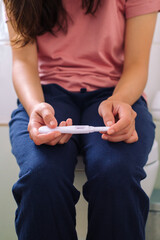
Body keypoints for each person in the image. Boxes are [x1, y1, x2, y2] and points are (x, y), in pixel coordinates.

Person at [4, 0, 160, 239]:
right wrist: (37, 106)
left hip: (117, 92)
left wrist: (120, 101)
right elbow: (23, 62)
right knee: (41, 176)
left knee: (116, 174)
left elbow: (137, 64)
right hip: (45, 94)